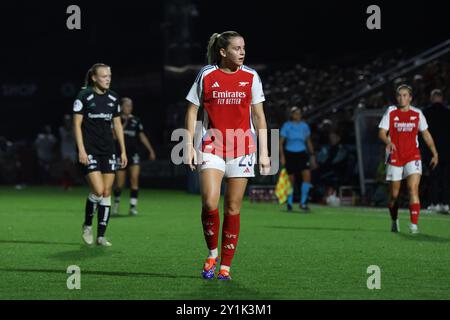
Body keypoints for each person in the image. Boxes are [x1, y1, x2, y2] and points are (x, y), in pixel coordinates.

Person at [184, 31, 270, 280]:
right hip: (212, 145)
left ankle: (225, 266)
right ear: (223, 52)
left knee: (232, 208)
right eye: (236, 48)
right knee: (210, 202)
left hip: (243, 147)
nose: (242, 52)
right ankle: (212, 253)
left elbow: (259, 116)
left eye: (243, 48)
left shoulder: (251, 77)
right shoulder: (207, 75)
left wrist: (264, 152)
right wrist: (189, 145)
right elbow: (192, 111)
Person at [73, 63, 127, 246]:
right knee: (97, 190)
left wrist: (123, 150)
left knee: (106, 191)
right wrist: (81, 149)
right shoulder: (84, 96)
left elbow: (118, 125)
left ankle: (101, 235)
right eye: (104, 76)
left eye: (109, 76)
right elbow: (76, 125)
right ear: (94, 78)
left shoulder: (113, 97)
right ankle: (87, 225)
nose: (108, 79)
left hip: (108, 150)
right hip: (90, 149)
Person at [378, 84, 438, 234]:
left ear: (410, 98)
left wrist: (435, 153)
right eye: (399, 95)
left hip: (412, 155)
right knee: (394, 196)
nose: (401, 98)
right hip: (395, 156)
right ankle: (394, 220)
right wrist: (388, 142)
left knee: (413, 189)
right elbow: (381, 133)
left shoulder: (417, 113)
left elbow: (426, 134)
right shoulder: (391, 112)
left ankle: (414, 225)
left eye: (405, 95)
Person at [112, 97, 156, 216]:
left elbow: (142, 136)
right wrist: (126, 121)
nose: (129, 108)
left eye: (130, 105)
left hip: (133, 153)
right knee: (119, 184)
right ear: (121, 107)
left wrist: (150, 150)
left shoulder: (136, 120)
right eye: (126, 105)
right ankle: (116, 205)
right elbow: (114, 136)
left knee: (134, 179)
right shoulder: (116, 119)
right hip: (120, 153)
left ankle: (132, 207)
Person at [280, 106, 317, 212]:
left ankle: (303, 202)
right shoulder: (287, 126)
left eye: (299, 113)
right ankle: (290, 203)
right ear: (292, 115)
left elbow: (308, 141)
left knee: (307, 177)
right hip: (290, 154)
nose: (298, 115)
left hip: (302, 153)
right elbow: (280, 142)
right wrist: (282, 156)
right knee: (291, 179)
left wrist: (313, 155)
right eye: (296, 113)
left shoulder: (304, 126)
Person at [422, 89, 450, 213]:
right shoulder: (448, 113)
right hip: (447, 152)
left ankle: (434, 203)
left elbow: (422, 134)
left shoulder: (426, 113)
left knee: (434, 179)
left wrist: (423, 152)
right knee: (446, 179)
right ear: (441, 98)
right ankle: (446, 204)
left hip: (432, 152)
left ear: (432, 98)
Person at [59, 114, 77, 190]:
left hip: (72, 150)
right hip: (65, 150)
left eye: (68, 120)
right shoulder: (61, 129)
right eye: (66, 121)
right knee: (66, 167)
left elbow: (74, 137)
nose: (67, 122)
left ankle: (70, 184)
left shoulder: (74, 128)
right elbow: (65, 136)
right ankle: (65, 185)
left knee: (72, 168)